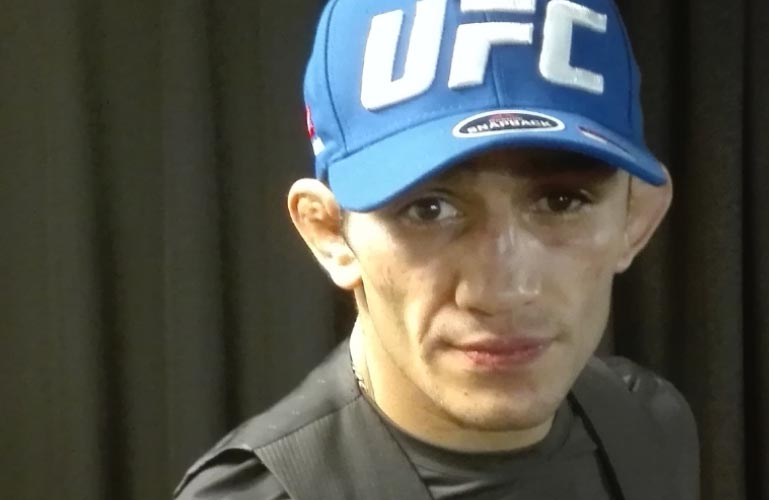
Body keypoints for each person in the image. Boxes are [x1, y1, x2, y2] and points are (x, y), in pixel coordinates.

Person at [174, 0, 699, 498]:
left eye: (562, 202)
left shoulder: (651, 425)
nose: (504, 290)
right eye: (428, 209)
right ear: (330, 234)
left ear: (635, 218)